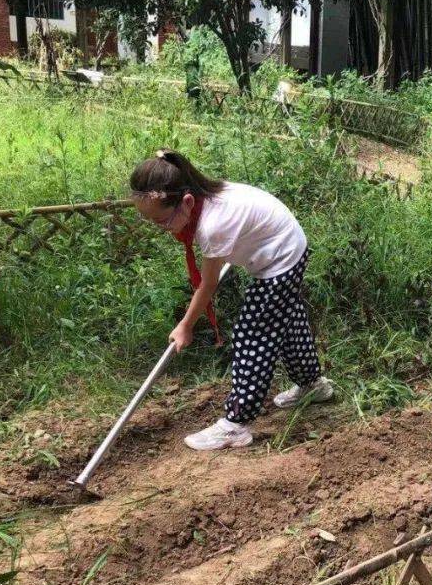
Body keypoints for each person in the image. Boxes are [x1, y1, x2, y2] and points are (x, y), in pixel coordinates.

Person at [130, 149, 333, 451]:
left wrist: (185, 326)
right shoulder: (202, 197)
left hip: (281, 258)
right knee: (287, 321)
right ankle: (313, 386)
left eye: (162, 222)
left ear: (185, 202)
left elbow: (207, 285)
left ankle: (236, 425)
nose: (161, 229)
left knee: (253, 334)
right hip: (290, 244)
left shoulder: (213, 224)